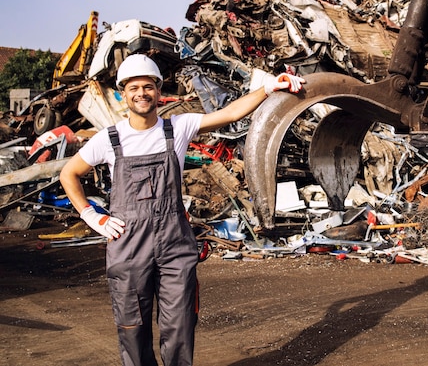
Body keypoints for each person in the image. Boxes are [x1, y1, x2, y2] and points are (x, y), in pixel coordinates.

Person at [59, 54, 305, 366]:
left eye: (148, 87)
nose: (141, 93)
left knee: (180, 326)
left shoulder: (177, 128)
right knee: (132, 327)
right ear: (123, 93)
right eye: (134, 87)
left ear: (158, 91)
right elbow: (69, 174)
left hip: (174, 242)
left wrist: (269, 87)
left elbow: (229, 114)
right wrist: (92, 216)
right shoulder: (109, 139)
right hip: (128, 245)